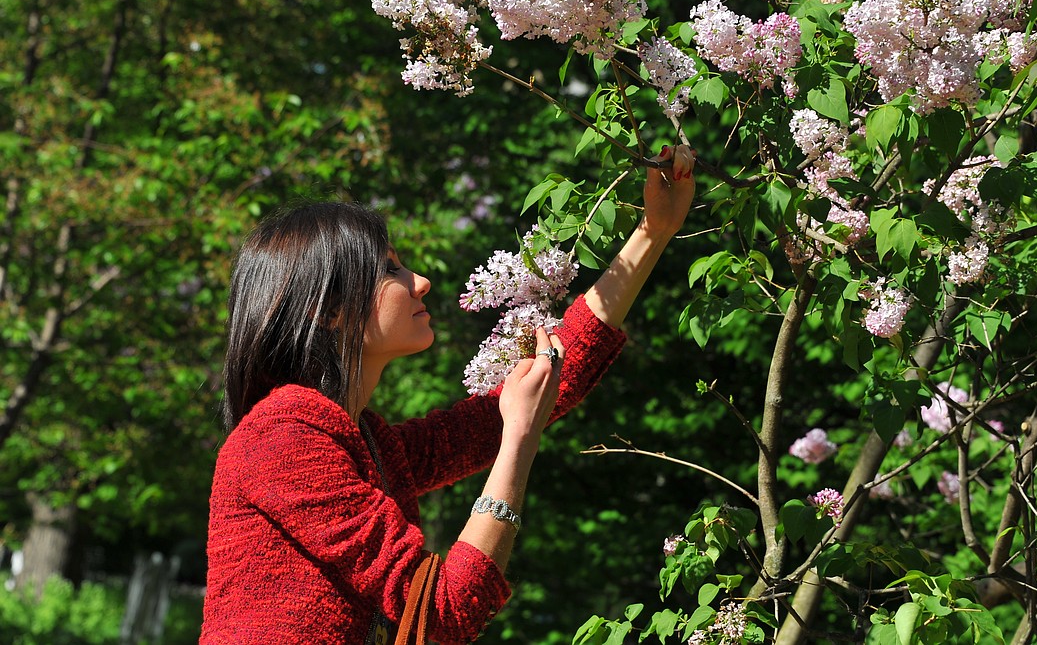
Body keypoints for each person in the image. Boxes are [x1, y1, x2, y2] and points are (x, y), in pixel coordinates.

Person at [201, 145, 696, 644]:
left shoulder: (363, 444)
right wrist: (519, 439)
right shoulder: (283, 438)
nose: (421, 282)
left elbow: (533, 392)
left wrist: (653, 232)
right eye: (390, 270)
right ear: (328, 310)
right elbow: (442, 607)